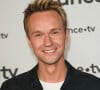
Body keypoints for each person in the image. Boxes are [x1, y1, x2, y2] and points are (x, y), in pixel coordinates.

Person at [1, 0, 100, 90]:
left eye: (54, 32)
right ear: (29, 40)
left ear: (66, 35)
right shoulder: (11, 87)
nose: (48, 42)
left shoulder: (94, 86)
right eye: (38, 35)